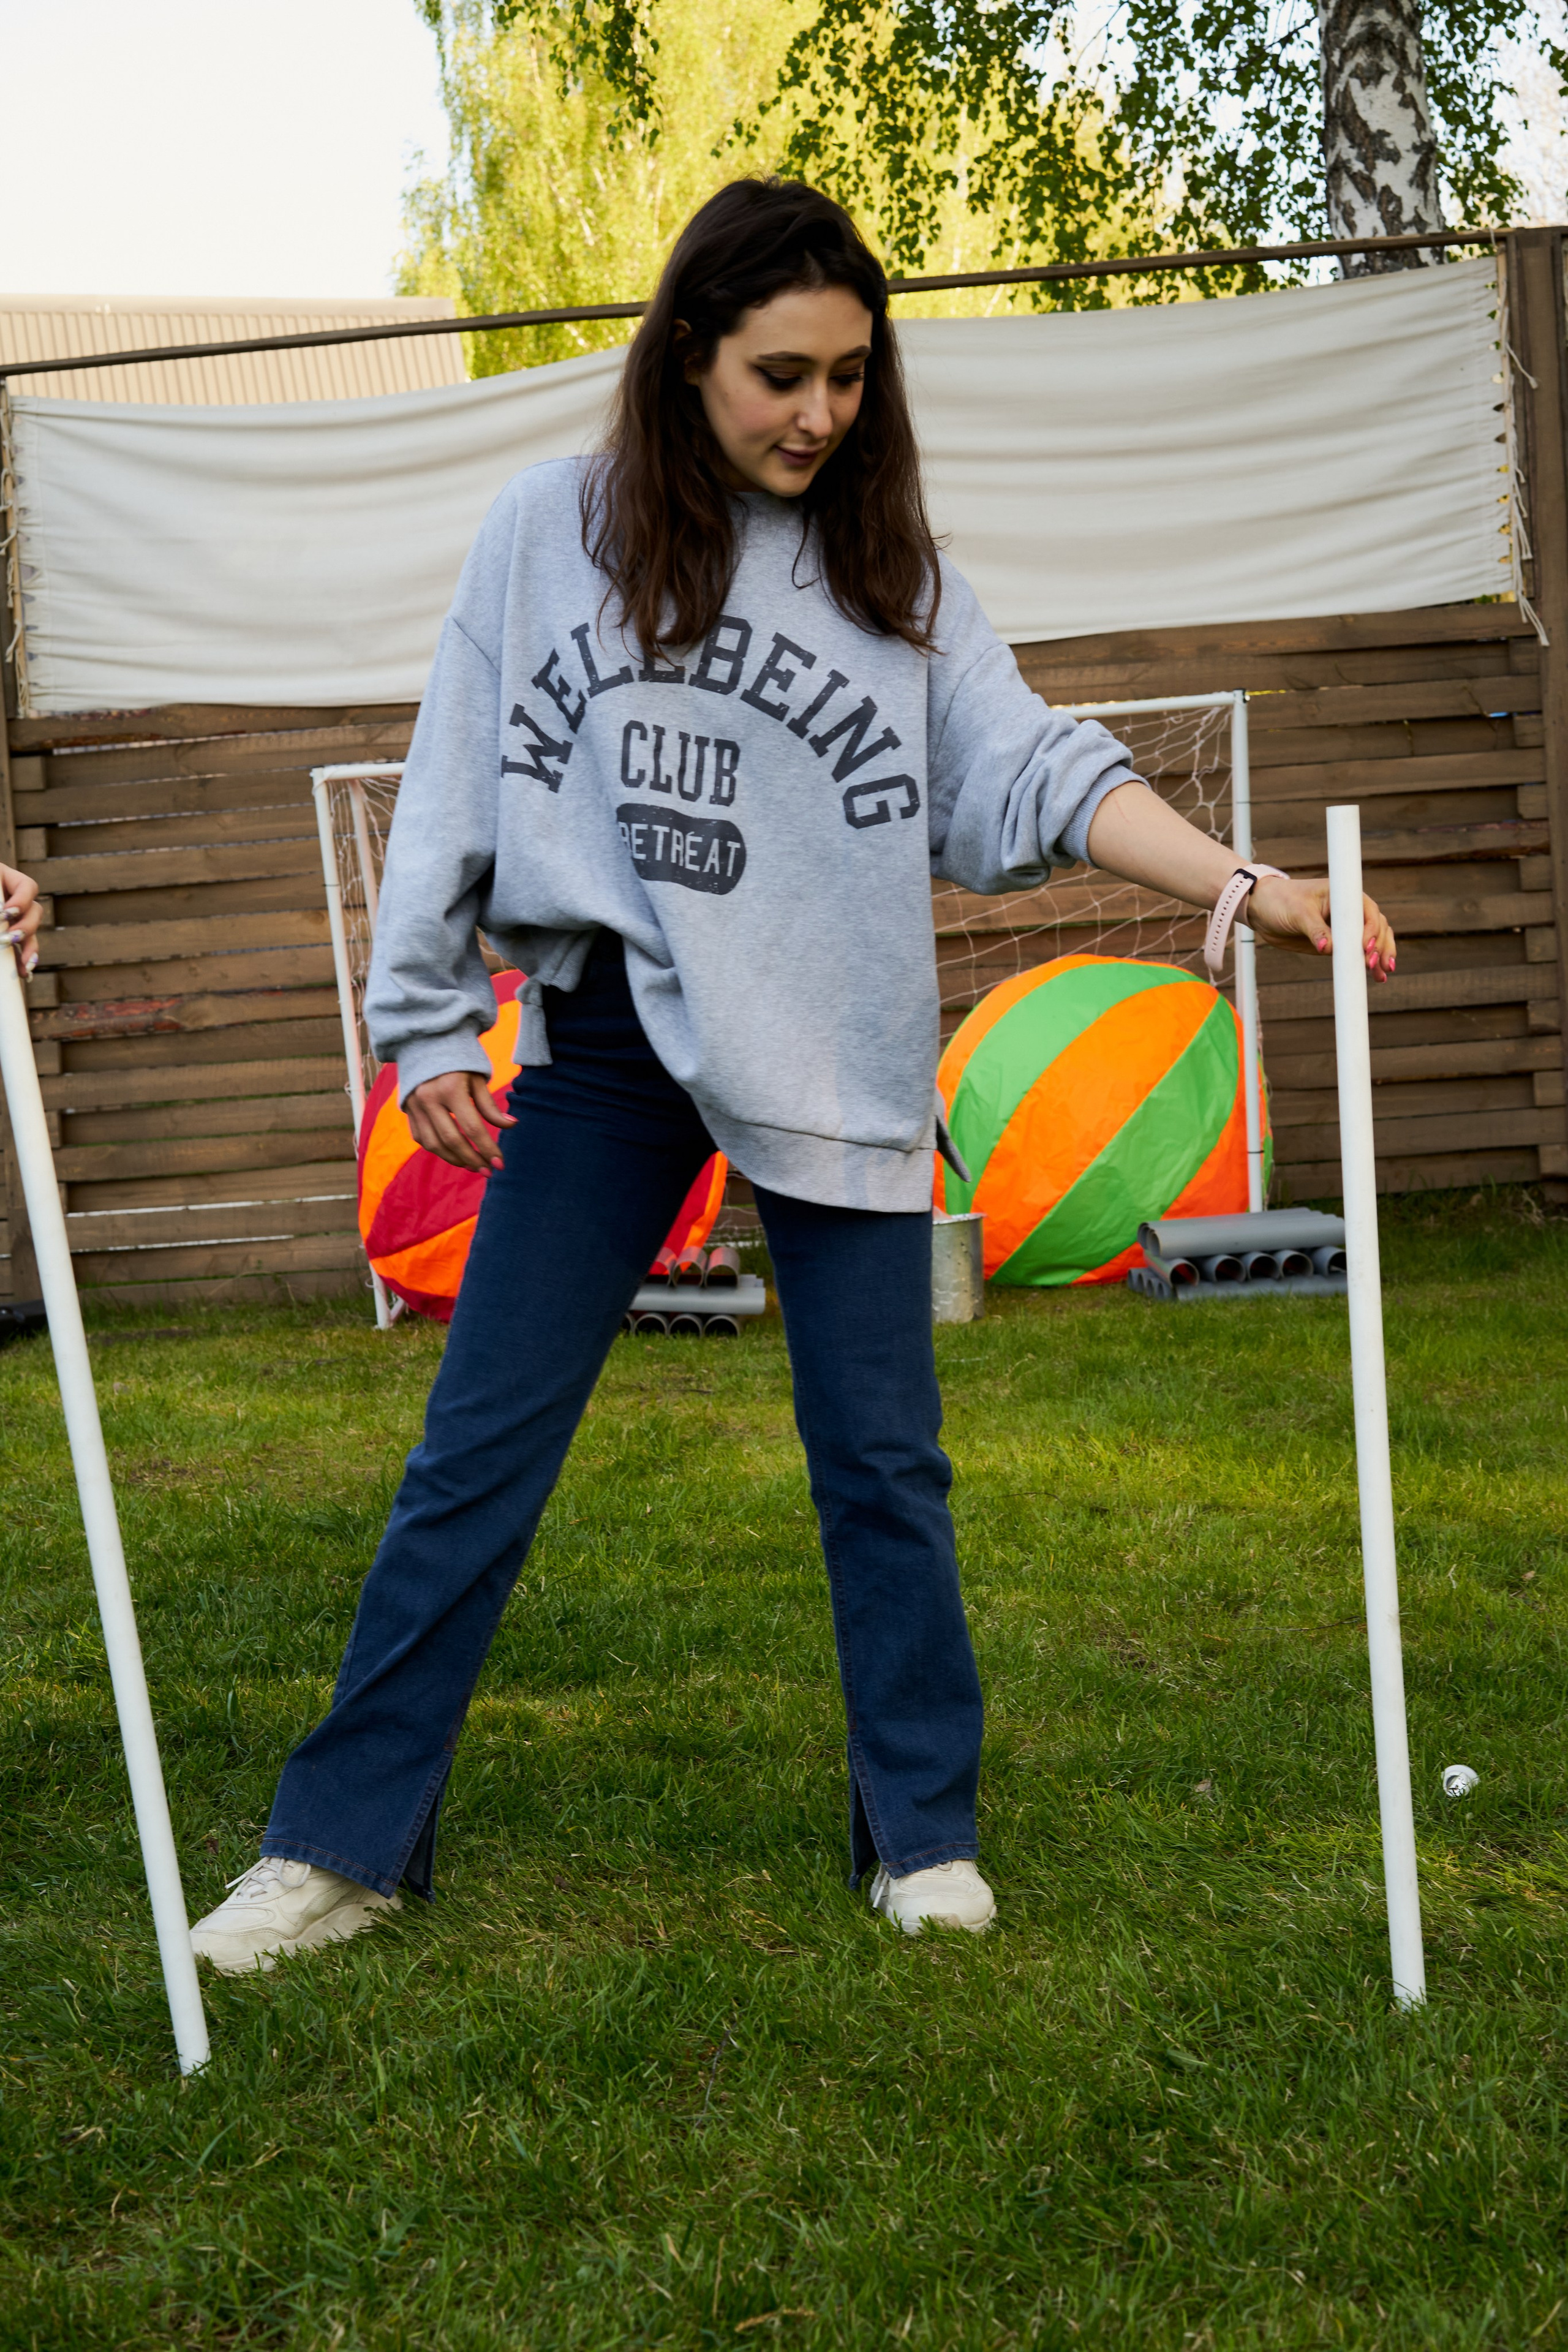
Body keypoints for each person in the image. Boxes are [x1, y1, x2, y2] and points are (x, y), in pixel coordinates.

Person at [189, 179, 1395, 1975]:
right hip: (605, 1056)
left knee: (884, 1465)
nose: (817, 415)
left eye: (848, 377)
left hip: (834, 1053)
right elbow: (458, 765)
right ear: (689, 354)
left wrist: (1241, 884)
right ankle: (338, 1849)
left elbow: (1041, 769)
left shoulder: (891, 574)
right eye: (779, 375)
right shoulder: (550, 532)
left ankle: (921, 1835)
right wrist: (426, 1017)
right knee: (475, 1457)